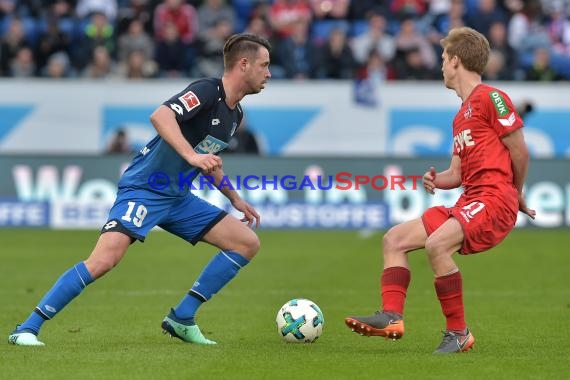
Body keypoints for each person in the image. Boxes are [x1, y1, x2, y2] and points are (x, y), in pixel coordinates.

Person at [8, 33, 272, 346]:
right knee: (104, 260)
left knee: (245, 242)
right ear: (243, 64)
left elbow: (209, 160)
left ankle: (182, 317)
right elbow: (161, 116)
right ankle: (27, 328)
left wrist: (235, 198)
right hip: (145, 190)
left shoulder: (235, 114)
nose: (268, 73)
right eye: (264, 65)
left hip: (177, 197)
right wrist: (190, 155)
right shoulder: (206, 90)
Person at [345, 27, 536, 354]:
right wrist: (437, 179)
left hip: (494, 198)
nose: (441, 66)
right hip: (470, 199)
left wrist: (515, 192)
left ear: (457, 62)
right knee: (394, 239)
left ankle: (459, 333)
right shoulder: (462, 114)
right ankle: (392, 316)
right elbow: (457, 173)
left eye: (445, 59)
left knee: (436, 245)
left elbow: (520, 151)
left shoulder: (491, 97)